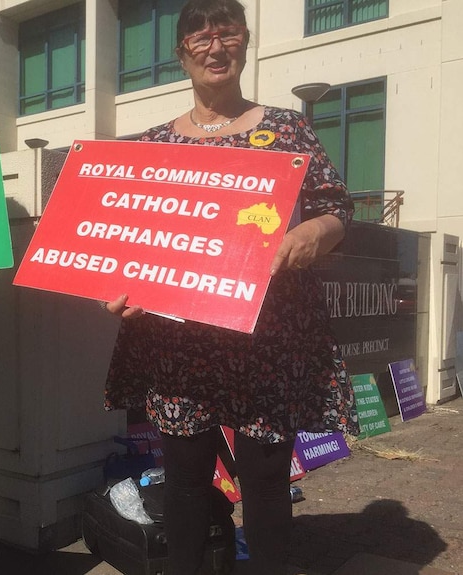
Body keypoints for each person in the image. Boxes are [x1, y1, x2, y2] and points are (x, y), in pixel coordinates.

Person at [102, 1, 359, 574]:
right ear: (180, 54)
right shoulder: (152, 145)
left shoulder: (288, 127)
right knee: (187, 485)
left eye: (227, 35)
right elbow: (130, 239)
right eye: (199, 38)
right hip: (180, 344)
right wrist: (119, 284)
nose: (215, 47)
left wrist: (318, 229)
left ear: (244, 43)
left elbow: (336, 205)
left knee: (266, 484)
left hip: (267, 338)